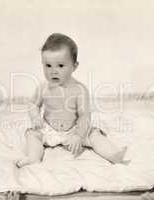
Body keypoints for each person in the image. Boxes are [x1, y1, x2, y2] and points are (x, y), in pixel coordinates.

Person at [17, 33, 127, 167]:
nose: (53, 71)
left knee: (93, 135)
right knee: (32, 134)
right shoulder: (43, 87)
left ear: (74, 66)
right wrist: (35, 117)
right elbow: (33, 104)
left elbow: (84, 116)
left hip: (73, 130)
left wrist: (79, 136)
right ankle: (33, 157)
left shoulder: (79, 90)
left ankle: (113, 154)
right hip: (49, 129)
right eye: (48, 65)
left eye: (60, 66)